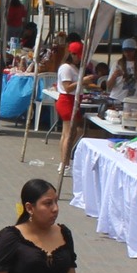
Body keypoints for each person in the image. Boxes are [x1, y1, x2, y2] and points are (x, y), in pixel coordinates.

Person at [53, 43, 81, 175]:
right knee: (68, 135)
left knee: (69, 133)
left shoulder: (73, 67)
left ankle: (64, 162)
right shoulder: (66, 68)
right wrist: (83, 81)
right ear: (71, 54)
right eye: (77, 55)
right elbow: (67, 87)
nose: (79, 58)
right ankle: (65, 164)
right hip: (67, 101)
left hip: (72, 100)